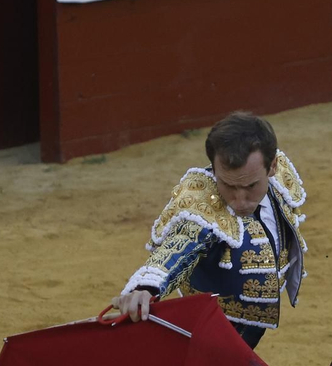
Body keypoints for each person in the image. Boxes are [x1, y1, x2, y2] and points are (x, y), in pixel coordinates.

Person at [110, 112, 307, 349]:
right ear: (213, 170)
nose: (239, 201)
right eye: (228, 185)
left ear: (272, 167)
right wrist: (145, 288)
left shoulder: (280, 183)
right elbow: (178, 247)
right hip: (210, 330)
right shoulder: (202, 207)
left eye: (251, 186)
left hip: (252, 326)